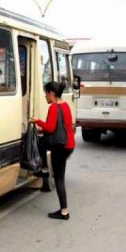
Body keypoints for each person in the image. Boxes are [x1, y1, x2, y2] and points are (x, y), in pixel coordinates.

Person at [28, 81, 76, 220]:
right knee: (42, 143)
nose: (45, 97)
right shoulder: (65, 105)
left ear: (52, 94)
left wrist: (37, 121)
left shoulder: (54, 107)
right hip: (68, 145)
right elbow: (61, 126)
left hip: (60, 147)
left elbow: (50, 128)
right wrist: (42, 128)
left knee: (59, 179)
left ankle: (64, 211)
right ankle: (43, 168)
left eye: (46, 94)